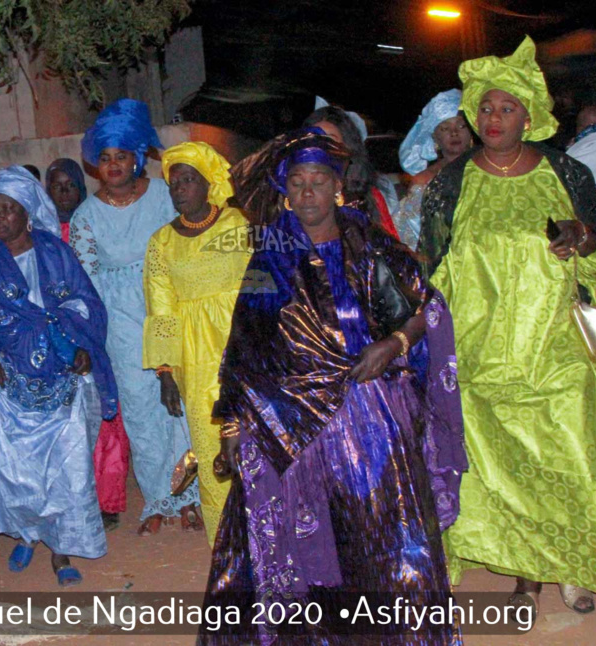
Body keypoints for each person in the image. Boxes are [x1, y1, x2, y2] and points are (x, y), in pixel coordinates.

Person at [199, 129, 466, 645]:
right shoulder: (269, 256)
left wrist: (392, 345)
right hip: (290, 419)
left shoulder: (370, 242)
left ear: (337, 187)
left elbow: (424, 309)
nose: (307, 194)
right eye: (296, 183)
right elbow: (244, 339)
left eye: (318, 182)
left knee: (381, 531)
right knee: (307, 538)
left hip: (370, 412)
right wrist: (233, 421)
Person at [419, 37, 596, 616]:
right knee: (499, 468)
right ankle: (524, 573)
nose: (494, 119)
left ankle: (568, 564)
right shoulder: (452, 183)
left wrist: (583, 237)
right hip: (479, 354)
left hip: (557, 350)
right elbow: (430, 263)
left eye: (507, 109)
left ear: (529, 115)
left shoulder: (564, 171)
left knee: (566, 456)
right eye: (486, 109)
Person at [0, 166, 118, 586]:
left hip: (61, 379)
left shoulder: (56, 254)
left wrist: (78, 346)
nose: (1, 217)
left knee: (64, 468)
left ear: (27, 212)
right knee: (17, 469)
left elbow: (86, 305)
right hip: (10, 385)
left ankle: (60, 551)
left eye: (10, 209)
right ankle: (26, 533)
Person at [70, 98, 200, 536]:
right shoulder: (86, 214)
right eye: (104, 158)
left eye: (121, 156)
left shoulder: (164, 196)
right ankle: (159, 499)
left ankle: (191, 494)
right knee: (142, 410)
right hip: (119, 322)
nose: (113, 166)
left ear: (136, 157)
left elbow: (184, 248)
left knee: (178, 406)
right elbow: (84, 279)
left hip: (168, 307)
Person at [143, 142, 250, 544]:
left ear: (208, 184)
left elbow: (262, 282)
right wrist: (166, 371)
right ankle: (226, 542)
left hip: (243, 343)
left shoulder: (238, 224)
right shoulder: (162, 243)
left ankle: (269, 533)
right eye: (174, 183)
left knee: (255, 438)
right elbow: (161, 309)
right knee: (210, 447)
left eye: (189, 180)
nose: (180, 190)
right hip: (194, 354)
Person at [46, 156, 131, 530]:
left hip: (98, 333)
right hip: (54, 343)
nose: (64, 192)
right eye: (56, 185)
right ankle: (69, 500)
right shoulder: (38, 236)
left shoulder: (94, 223)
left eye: (70, 184)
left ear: (82, 187)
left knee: (107, 422)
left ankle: (107, 501)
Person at [303, 104, 399, 237]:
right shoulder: (292, 196)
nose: (322, 147)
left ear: (347, 148)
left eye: (330, 140)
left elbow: (389, 246)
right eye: (315, 139)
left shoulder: (368, 196)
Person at [395, 89, 472, 249]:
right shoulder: (424, 180)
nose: (454, 133)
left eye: (461, 126)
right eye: (445, 128)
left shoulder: (489, 167)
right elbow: (411, 235)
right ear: (434, 137)